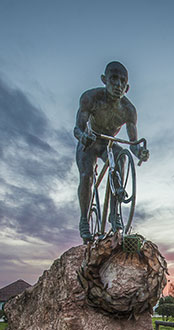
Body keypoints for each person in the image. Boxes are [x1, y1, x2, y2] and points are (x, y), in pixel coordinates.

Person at [74, 61, 149, 242]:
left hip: (108, 143)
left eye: (122, 81)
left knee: (121, 157)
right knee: (87, 175)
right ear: (104, 80)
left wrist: (140, 152)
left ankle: (114, 212)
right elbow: (77, 128)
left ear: (127, 87)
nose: (118, 85)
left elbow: (133, 144)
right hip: (90, 141)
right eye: (113, 79)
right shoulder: (90, 98)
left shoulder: (129, 110)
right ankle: (84, 219)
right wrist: (83, 137)